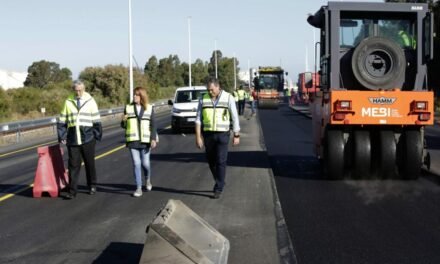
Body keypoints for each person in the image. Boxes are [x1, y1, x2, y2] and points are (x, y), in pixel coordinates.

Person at [195, 77, 240, 199]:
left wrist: (236, 134)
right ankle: (220, 179)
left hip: (223, 135)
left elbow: (234, 117)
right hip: (208, 135)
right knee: (211, 162)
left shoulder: (228, 97)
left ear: (218, 87)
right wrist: (198, 137)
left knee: (221, 161)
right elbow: (198, 119)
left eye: (212, 90)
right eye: (208, 90)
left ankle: (218, 187)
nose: (210, 92)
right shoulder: (203, 99)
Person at [57, 80, 102, 199]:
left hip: (88, 137)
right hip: (73, 139)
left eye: (80, 90)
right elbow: (62, 120)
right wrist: (61, 135)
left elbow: (96, 120)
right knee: (73, 165)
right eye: (76, 90)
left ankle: (92, 185)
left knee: (89, 163)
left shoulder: (90, 101)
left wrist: (97, 135)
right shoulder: (68, 101)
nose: (78, 92)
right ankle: (72, 191)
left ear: (84, 89)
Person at [121, 87, 158, 197]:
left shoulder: (149, 108)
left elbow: (153, 125)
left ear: (141, 96)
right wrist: (123, 121)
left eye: (136, 95)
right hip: (133, 141)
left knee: (145, 163)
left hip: (145, 141)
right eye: (133, 95)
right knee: (136, 164)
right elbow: (123, 125)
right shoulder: (128, 108)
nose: (134, 97)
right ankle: (138, 188)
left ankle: (147, 179)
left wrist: (153, 139)